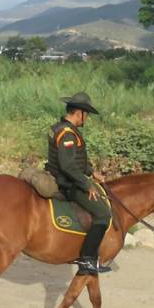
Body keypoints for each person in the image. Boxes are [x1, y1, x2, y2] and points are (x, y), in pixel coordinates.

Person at [45, 91, 112, 275]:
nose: (86, 118)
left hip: (63, 175)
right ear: (79, 113)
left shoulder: (58, 127)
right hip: (67, 183)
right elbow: (68, 166)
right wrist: (86, 184)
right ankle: (87, 259)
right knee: (103, 214)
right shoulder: (67, 134)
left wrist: (92, 172)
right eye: (86, 114)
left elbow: (76, 160)